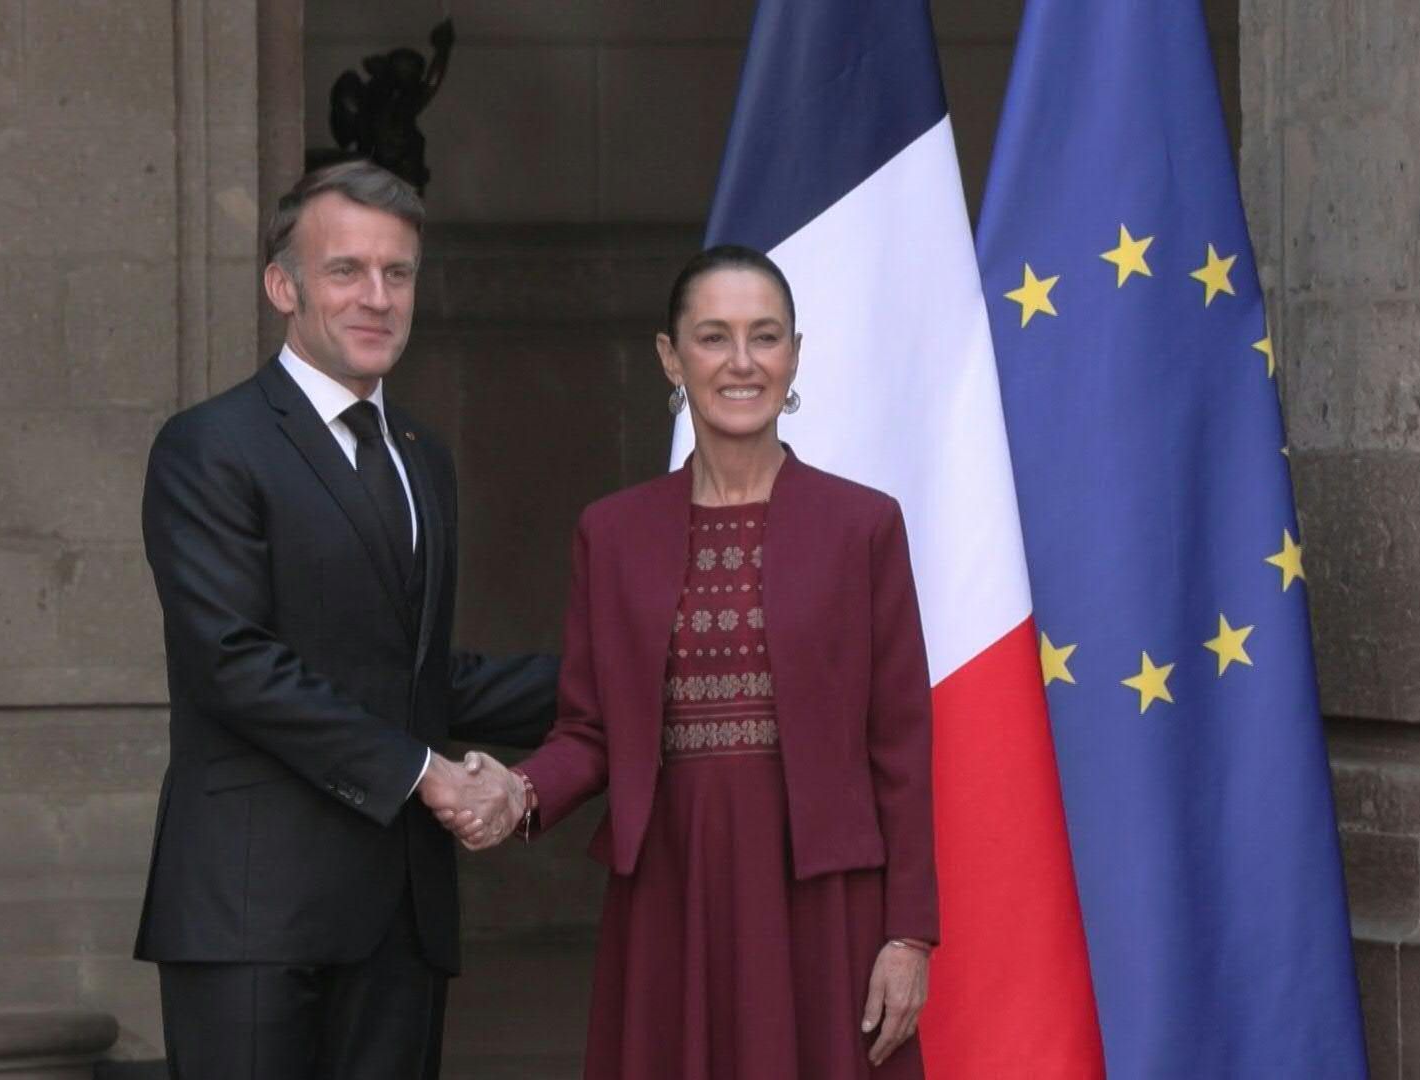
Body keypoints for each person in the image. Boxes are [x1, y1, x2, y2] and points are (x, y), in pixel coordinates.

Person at [134, 160, 553, 1080]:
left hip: (400, 919)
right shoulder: (210, 446)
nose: (377, 297)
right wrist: (426, 774)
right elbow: (233, 663)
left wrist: (633, 680)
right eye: (346, 271)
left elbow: (412, 674)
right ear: (282, 287)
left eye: (397, 273)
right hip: (252, 913)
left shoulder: (423, 457)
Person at [495, 245, 938, 1078]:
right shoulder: (611, 533)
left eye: (764, 337)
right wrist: (517, 793)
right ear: (671, 357)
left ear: (794, 356)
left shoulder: (863, 526)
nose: (742, 361)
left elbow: (902, 746)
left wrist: (909, 935)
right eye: (713, 337)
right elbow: (589, 729)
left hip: (826, 903)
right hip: (672, 892)